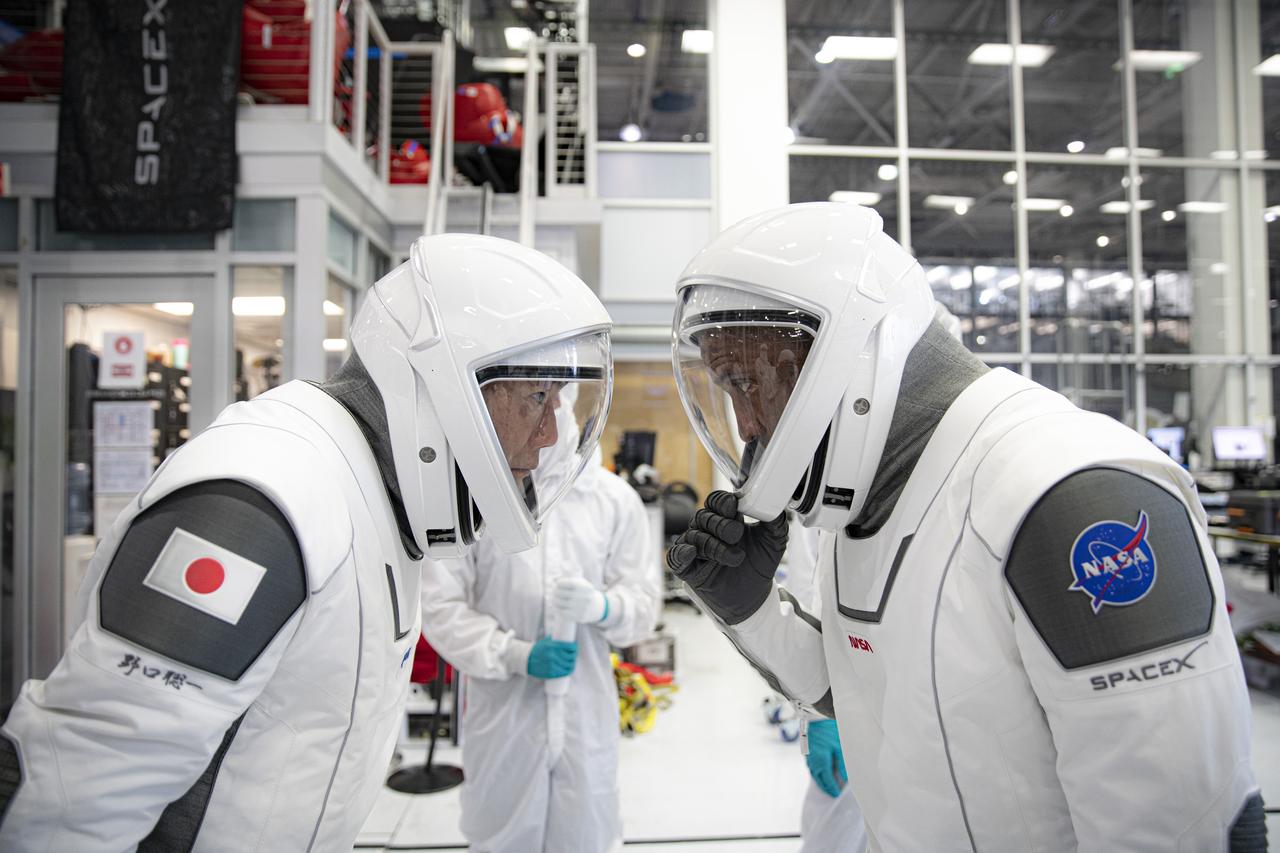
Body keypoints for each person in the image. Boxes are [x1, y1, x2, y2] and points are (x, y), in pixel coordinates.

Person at [665, 202, 1265, 851]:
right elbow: (877, 700)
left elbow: (1182, 826)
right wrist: (755, 615)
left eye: (745, 382)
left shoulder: (1074, 491)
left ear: (840, 351)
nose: (748, 426)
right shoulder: (867, 490)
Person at [0, 234, 614, 851]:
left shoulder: (378, 494)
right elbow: (77, 799)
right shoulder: (264, 499)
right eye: (537, 397)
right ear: (445, 384)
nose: (547, 437)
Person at [419, 390, 661, 853]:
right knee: (500, 837)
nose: (543, 417)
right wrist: (514, 654)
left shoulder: (611, 500)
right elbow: (441, 608)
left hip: (585, 714)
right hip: (504, 716)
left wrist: (605, 608)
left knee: (588, 836)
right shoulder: (473, 497)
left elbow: (644, 606)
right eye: (530, 396)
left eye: (550, 397)